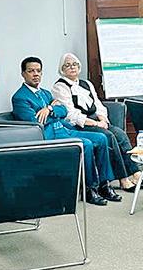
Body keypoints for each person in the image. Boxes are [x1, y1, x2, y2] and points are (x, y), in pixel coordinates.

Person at [12, 57, 121, 206]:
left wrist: (49, 108)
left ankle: (104, 184)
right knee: (86, 144)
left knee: (101, 138)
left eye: (38, 71)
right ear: (23, 74)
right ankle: (90, 188)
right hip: (49, 136)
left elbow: (63, 111)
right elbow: (35, 121)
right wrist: (54, 110)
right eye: (31, 71)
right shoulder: (20, 97)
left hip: (64, 130)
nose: (35, 74)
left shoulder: (45, 93)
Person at [52, 53, 141, 192]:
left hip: (96, 120)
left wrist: (103, 119)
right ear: (62, 69)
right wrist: (95, 124)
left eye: (75, 64)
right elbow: (71, 114)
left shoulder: (86, 84)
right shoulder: (60, 87)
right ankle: (123, 179)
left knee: (120, 134)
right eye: (67, 65)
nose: (72, 67)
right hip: (80, 125)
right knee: (109, 136)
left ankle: (136, 173)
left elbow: (98, 104)